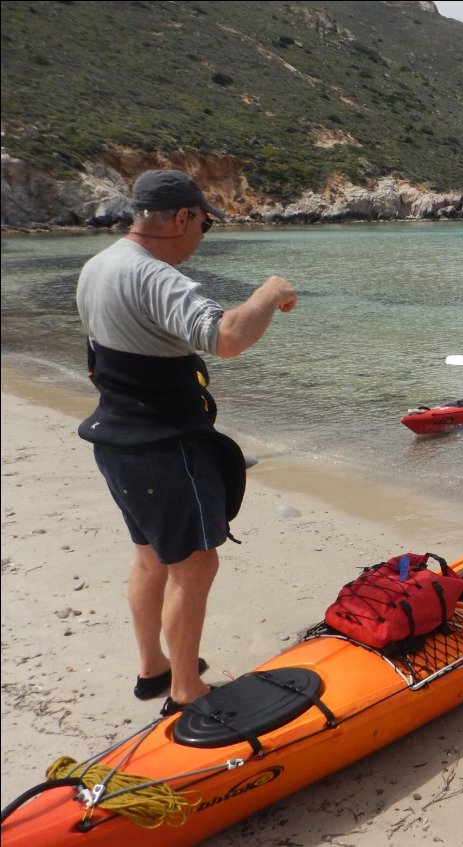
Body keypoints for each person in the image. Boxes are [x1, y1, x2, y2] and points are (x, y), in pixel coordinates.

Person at [75, 169, 298, 717]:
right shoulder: (155, 277)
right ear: (181, 218)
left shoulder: (97, 266)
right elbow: (228, 337)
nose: (202, 236)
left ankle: (153, 668)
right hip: (164, 444)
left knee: (151, 558)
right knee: (194, 567)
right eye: (203, 223)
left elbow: (97, 361)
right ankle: (185, 691)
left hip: (117, 438)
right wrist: (269, 291)